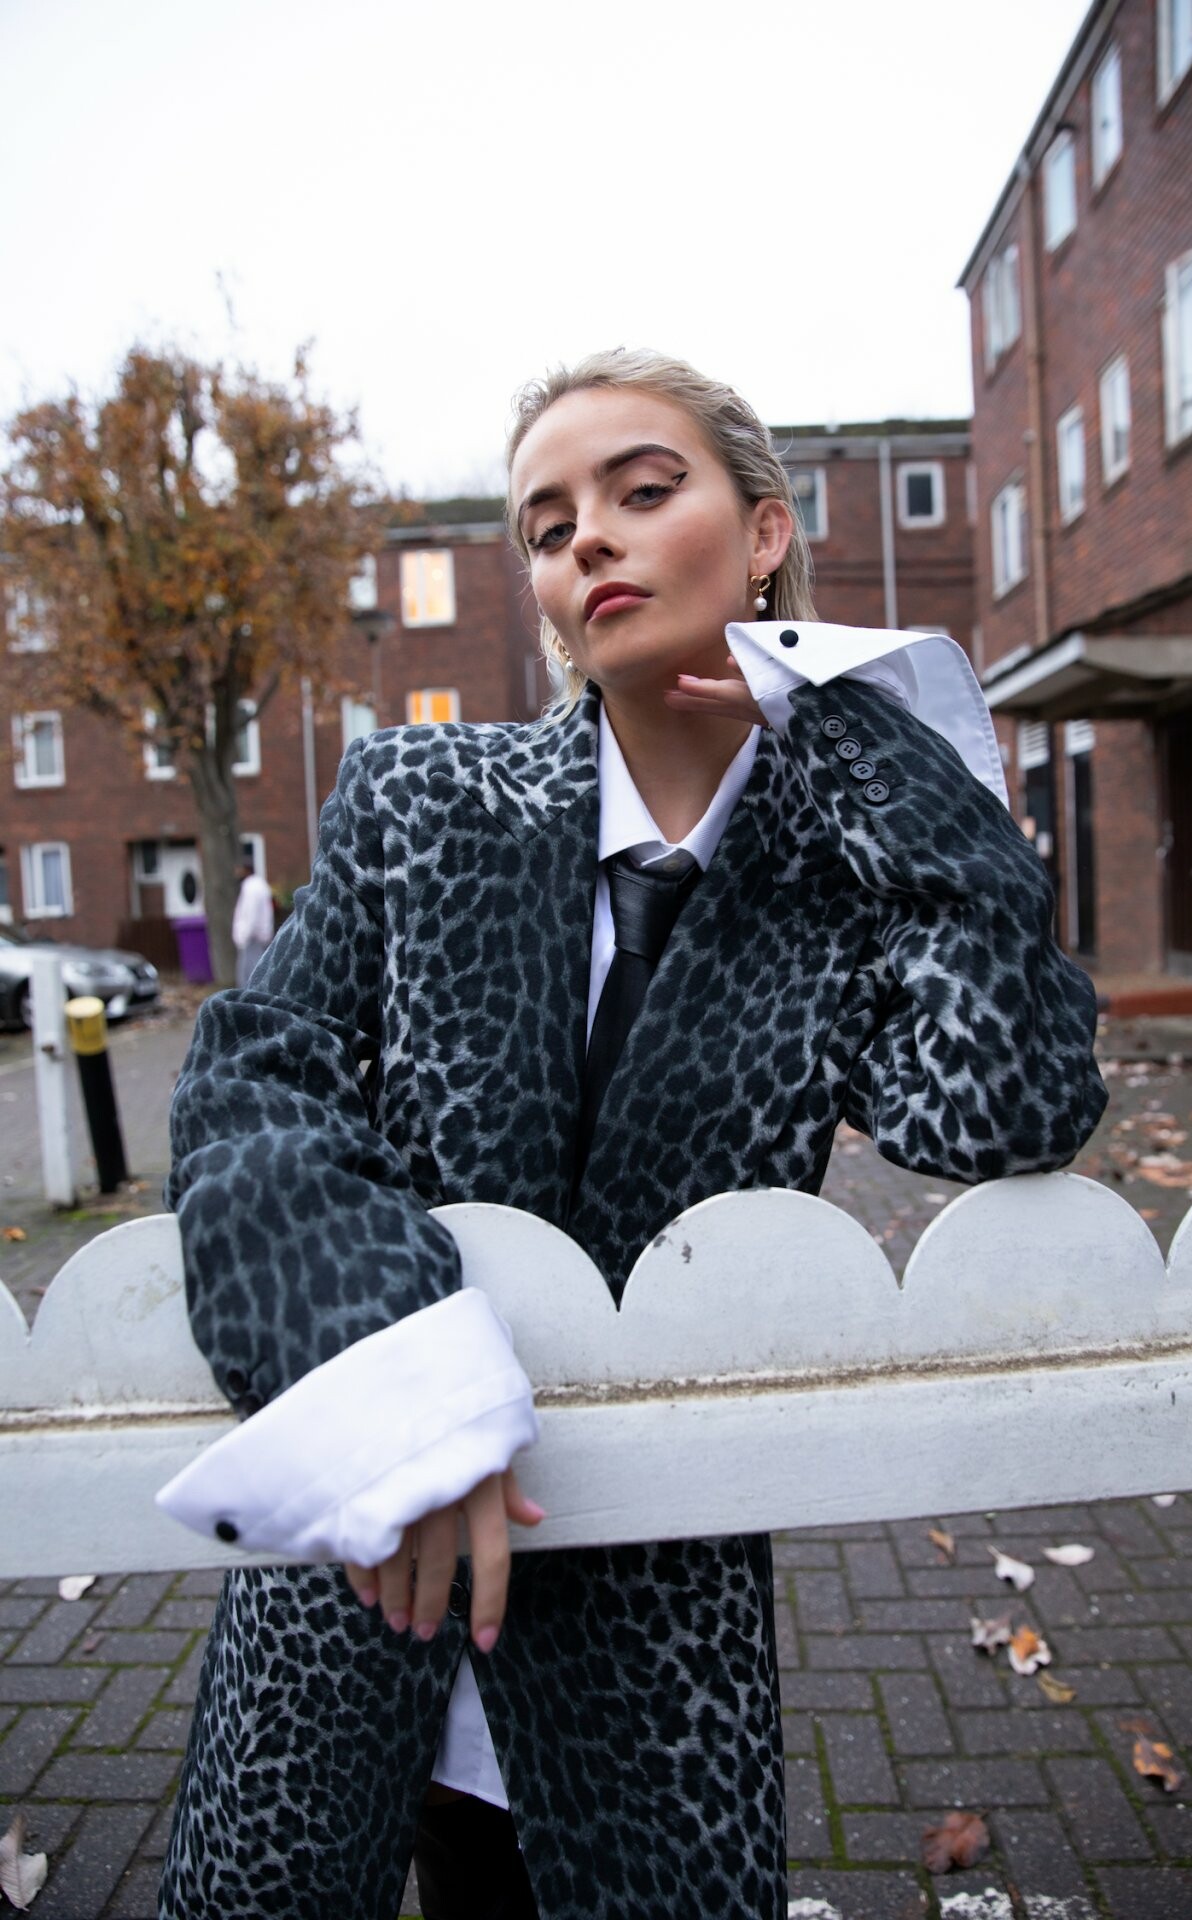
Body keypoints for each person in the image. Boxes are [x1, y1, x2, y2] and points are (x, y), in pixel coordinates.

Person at [156, 349, 1108, 1920]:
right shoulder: (422, 798)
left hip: (649, 1630)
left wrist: (881, 765)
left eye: (643, 491)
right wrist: (391, 1366)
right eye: (548, 525)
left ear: (766, 534)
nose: (586, 536)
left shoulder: (839, 878)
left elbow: (1002, 1105)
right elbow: (253, 1074)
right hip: (370, 1564)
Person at [230, 855, 275, 986]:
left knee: (249, 976)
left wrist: (243, 936)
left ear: (246, 870)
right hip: (259, 936)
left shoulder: (251, 888)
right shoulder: (259, 884)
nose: (237, 873)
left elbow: (250, 914)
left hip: (253, 938)